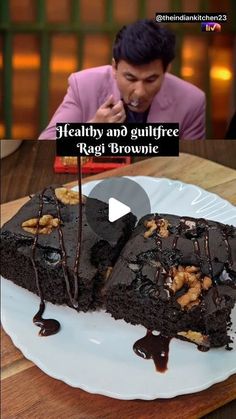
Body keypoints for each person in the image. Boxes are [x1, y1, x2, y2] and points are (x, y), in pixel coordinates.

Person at [39, 19, 206, 139]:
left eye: (151, 80)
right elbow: (46, 145)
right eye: (130, 78)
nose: (140, 92)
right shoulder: (83, 85)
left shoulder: (192, 101)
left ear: (166, 70)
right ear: (114, 68)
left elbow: (192, 160)